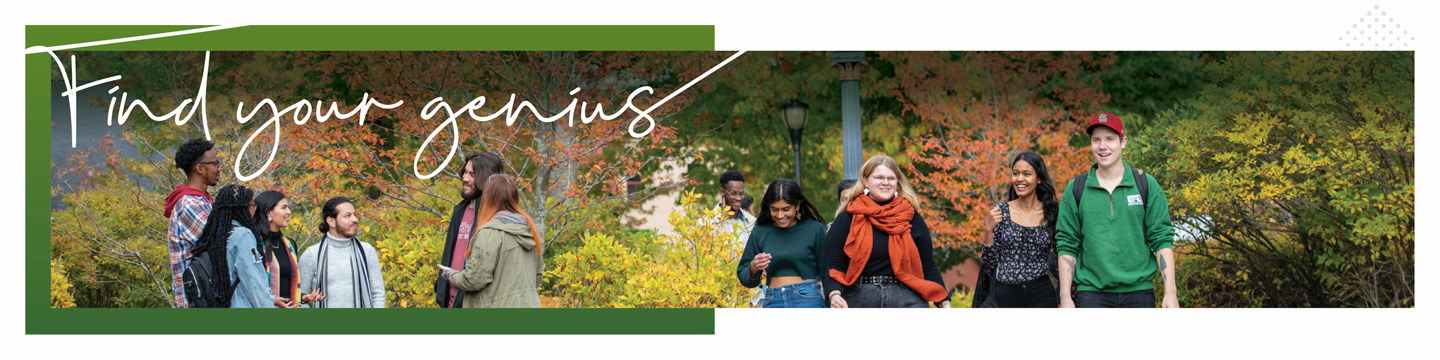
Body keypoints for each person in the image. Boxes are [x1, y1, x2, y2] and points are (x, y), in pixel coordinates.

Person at [1056, 112, 1178, 308]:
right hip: (1091, 294)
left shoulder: (1145, 184)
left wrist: (1170, 293)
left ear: (1123, 142)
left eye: (1109, 139)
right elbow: (1067, 244)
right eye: (1096, 140)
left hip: (1139, 292)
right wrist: (1065, 297)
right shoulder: (1076, 188)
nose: (1102, 146)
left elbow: (1162, 238)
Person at [825, 154, 949, 308]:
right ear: (865, 180)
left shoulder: (912, 218)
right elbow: (834, 263)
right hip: (860, 298)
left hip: (908, 298)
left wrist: (944, 302)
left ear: (897, 182)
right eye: (879, 177)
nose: (885, 183)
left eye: (891, 178)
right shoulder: (847, 219)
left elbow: (928, 265)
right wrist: (834, 294)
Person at [437, 174, 544, 308]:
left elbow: (473, 280)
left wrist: (450, 274)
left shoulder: (490, 233)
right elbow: (537, 277)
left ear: (488, 198)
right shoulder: (530, 230)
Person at [976, 151, 1061, 308]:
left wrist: (1064, 294)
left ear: (1039, 178)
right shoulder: (1001, 211)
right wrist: (988, 230)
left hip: (1042, 294)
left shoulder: (1052, 212)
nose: (1019, 179)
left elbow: (1061, 255)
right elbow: (989, 264)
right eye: (1015, 174)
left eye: (1026, 174)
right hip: (1005, 295)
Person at [735, 178, 828, 308]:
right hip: (773, 300)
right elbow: (744, 278)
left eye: (786, 209)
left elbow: (827, 272)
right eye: (774, 209)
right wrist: (753, 267)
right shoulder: (760, 232)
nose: (780, 215)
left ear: (798, 205)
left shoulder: (814, 229)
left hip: (807, 299)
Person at [436, 152, 504, 308]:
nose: (465, 179)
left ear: (487, 178)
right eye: (465, 172)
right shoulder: (460, 210)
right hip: (450, 303)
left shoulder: (495, 216)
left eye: (472, 174)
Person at [299, 197, 386, 308]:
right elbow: (299, 297)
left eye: (354, 214)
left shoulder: (366, 251)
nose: (355, 219)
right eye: (347, 216)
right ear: (331, 221)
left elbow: (378, 294)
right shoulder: (312, 254)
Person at [165, 138, 219, 308]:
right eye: (215, 163)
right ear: (199, 168)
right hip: (196, 297)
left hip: (205, 293)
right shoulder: (190, 204)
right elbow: (219, 242)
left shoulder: (203, 201)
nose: (219, 168)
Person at [251, 190, 324, 308]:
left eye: (288, 207)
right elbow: (250, 284)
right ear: (268, 212)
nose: (289, 212)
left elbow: (287, 285)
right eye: (284, 208)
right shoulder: (254, 243)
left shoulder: (290, 244)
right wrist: (272, 300)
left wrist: (305, 297)